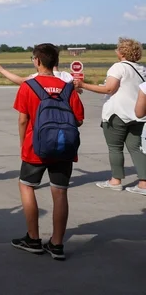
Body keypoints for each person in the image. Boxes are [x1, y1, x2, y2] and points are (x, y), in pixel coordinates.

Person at [11, 43, 85, 259]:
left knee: (26, 187)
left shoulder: (29, 86)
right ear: (57, 62)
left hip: (36, 147)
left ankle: (33, 238)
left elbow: (23, 119)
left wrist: (22, 142)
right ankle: (57, 243)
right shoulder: (68, 87)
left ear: (37, 61)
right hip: (64, 147)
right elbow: (78, 120)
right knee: (60, 191)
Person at [74, 37, 146, 195]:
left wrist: (83, 84)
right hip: (136, 115)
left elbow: (109, 89)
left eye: (117, 48)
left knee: (115, 148)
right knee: (136, 148)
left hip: (117, 114)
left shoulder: (118, 67)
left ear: (122, 52)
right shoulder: (141, 69)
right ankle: (143, 183)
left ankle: (116, 180)